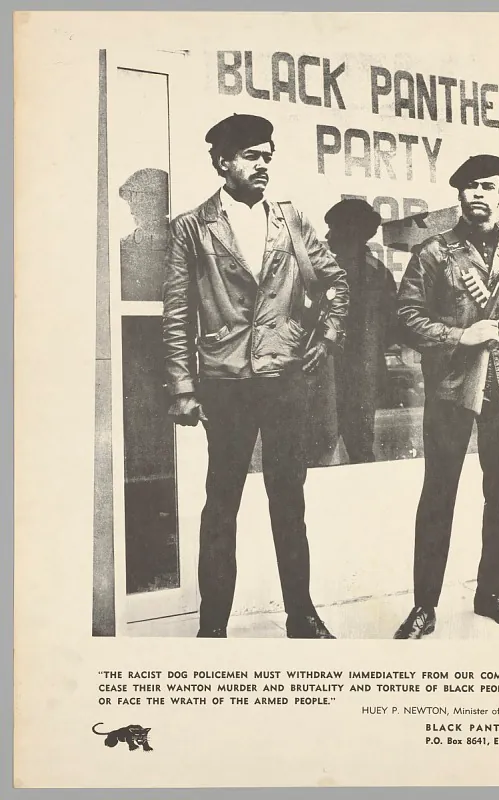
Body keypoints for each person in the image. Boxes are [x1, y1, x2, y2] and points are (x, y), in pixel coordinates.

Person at [162, 114, 348, 639]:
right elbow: (177, 311)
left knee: (290, 499)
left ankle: (302, 616)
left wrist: (327, 336)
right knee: (221, 503)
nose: (262, 164)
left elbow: (336, 281)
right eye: (250, 155)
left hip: (285, 378)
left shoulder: (292, 220)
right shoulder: (192, 227)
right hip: (225, 383)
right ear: (222, 162)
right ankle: (213, 626)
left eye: (267, 155)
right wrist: (181, 386)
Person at [394, 154, 499, 639]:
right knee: (438, 494)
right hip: (451, 387)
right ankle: (424, 606)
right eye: (471, 187)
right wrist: (458, 336)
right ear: (459, 195)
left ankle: (491, 593)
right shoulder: (434, 253)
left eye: (488, 187)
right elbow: (404, 316)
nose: (479, 195)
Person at [323, 199, 398, 463]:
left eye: (332, 228)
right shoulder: (380, 272)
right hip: (366, 377)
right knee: (361, 449)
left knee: (321, 451)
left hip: (332, 376)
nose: (326, 236)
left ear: (347, 232)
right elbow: (392, 330)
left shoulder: (329, 273)